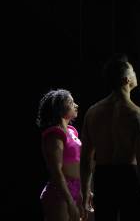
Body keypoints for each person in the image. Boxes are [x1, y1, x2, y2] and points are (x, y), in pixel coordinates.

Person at [80, 54, 140, 221]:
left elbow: (86, 158)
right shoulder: (138, 115)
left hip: (103, 178)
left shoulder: (92, 113)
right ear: (126, 80)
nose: (135, 74)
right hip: (128, 177)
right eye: (133, 71)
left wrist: (85, 191)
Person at [37, 89, 85, 221]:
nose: (76, 105)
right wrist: (69, 201)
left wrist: (80, 193)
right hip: (60, 193)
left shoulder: (71, 131)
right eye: (71, 102)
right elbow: (56, 171)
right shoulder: (54, 135)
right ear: (60, 108)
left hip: (75, 188)